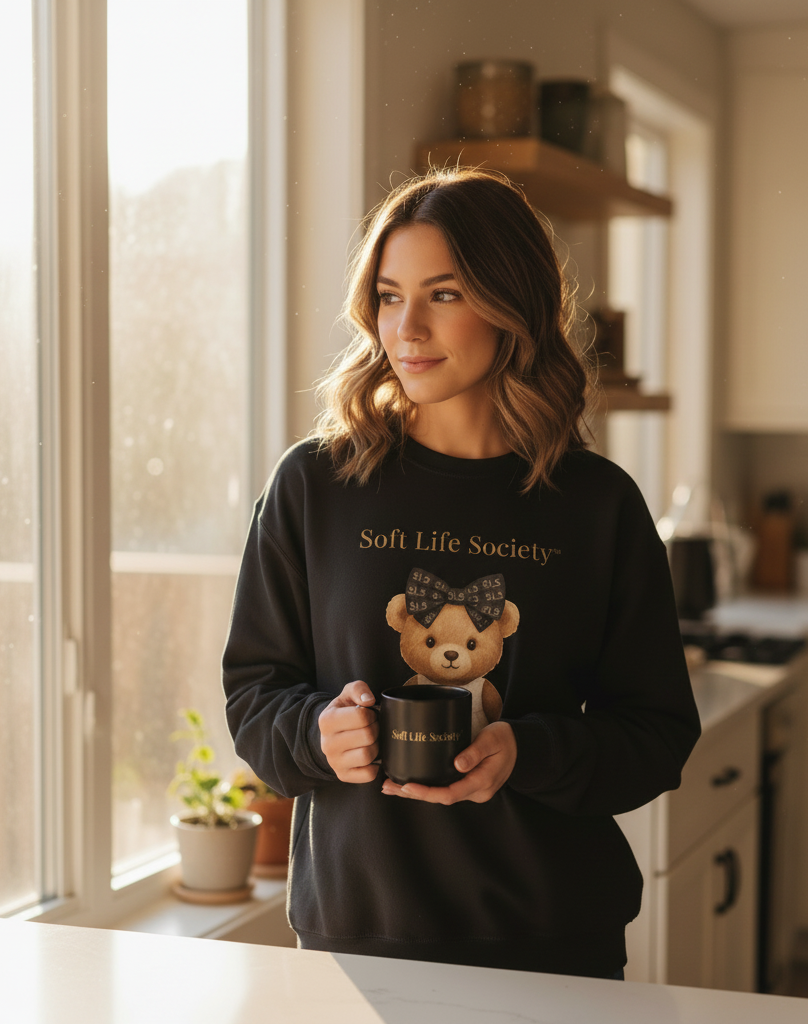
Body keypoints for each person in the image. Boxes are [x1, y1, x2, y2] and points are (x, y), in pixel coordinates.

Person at [222, 167, 700, 979]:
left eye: (443, 294)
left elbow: (657, 737)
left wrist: (526, 752)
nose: (406, 328)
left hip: (554, 948)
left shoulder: (598, 505)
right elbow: (254, 695)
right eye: (389, 296)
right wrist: (317, 735)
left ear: (511, 304)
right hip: (357, 945)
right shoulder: (314, 486)